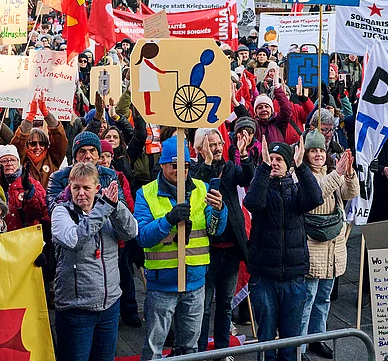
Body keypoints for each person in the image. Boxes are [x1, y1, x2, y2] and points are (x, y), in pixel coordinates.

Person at [134, 136, 227, 360]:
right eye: (174, 165)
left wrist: (219, 210)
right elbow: (142, 237)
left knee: (190, 348)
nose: (180, 170)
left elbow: (215, 230)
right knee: (154, 348)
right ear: (163, 165)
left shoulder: (201, 188)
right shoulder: (145, 193)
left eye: (185, 165)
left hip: (195, 281)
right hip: (162, 283)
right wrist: (168, 220)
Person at [244, 140, 324, 361]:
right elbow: (253, 203)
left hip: (293, 276)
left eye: (279, 159)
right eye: (271, 159)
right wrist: (263, 167)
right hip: (264, 276)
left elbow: (315, 198)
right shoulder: (261, 186)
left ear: (288, 165)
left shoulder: (296, 191)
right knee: (266, 339)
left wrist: (301, 166)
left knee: (290, 340)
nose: (274, 163)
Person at [51, 162, 138, 361]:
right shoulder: (61, 212)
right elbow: (75, 240)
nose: (81, 193)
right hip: (76, 310)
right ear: (69, 187)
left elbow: (131, 232)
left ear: (97, 188)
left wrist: (116, 207)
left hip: (110, 306)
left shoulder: (107, 207)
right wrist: (104, 207)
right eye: (76, 188)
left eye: (86, 188)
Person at [190, 127, 253, 354]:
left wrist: (244, 154)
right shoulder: (194, 171)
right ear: (200, 148)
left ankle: (222, 351)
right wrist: (207, 164)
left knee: (225, 305)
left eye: (219, 144)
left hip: (231, 249)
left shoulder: (230, 168)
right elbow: (198, 189)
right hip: (206, 250)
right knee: (204, 306)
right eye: (211, 144)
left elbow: (248, 178)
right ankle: (200, 353)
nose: (217, 148)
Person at [301, 134, 358, 359]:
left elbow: (350, 193)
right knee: (307, 300)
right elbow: (315, 196)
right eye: (313, 150)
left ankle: (318, 338)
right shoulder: (301, 174)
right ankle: (300, 346)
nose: (318, 154)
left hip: (333, 247)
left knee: (323, 299)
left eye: (321, 151)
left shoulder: (331, 172)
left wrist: (349, 174)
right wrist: (338, 174)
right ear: (306, 154)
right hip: (313, 246)